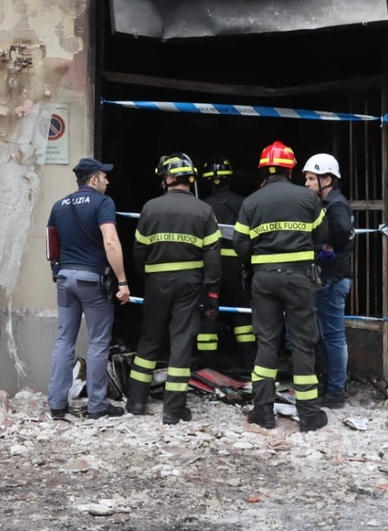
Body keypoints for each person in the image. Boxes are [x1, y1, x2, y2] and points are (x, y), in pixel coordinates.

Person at [233, 141, 329, 432]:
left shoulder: (251, 201)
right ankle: (310, 416)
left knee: (266, 343)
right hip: (299, 279)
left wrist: (259, 262)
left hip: (263, 278)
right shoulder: (308, 198)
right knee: (302, 343)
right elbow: (322, 235)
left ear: (264, 169)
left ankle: (263, 413)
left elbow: (240, 245)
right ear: (290, 169)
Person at [125, 153, 221, 424]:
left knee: (150, 338)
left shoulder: (150, 207)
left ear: (166, 178)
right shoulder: (204, 210)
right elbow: (213, 255)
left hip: (156, 282)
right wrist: (210, 289)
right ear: (191, 179)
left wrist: (148, 276)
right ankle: (173, 410)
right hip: (190, 283)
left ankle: (135, 401)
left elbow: (138, 251)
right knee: (181, 341)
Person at [46, 157, 131, 420]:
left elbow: (51, 245)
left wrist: (57, 272)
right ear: (93, 179)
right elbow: (111, 241)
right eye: (104, 176)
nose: (108, 180)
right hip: (92, 279)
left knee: (64, 340)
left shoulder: (59, 205)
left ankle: (57, 404)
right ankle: (97, 406)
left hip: (65, 278)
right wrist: (122, 281)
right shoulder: (103, 203)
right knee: (98, 342)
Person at [194, 156, 257, 375]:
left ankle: (207, 361)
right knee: (242, 310)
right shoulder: (244, 204)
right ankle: (249, 361)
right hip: (236, 265)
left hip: (210, 266)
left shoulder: (202, 206)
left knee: (208, 310)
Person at [302, 153, 355, 409]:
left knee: (334, 336)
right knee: (326, 335)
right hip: (331, 277)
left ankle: (336, 392)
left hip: (333, 278)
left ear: (328, 179)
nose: (308, 184)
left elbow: (344, 229)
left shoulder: (335, 204)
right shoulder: (328, 203)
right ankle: (331, 385)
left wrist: (329, 245)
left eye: (312, 178)